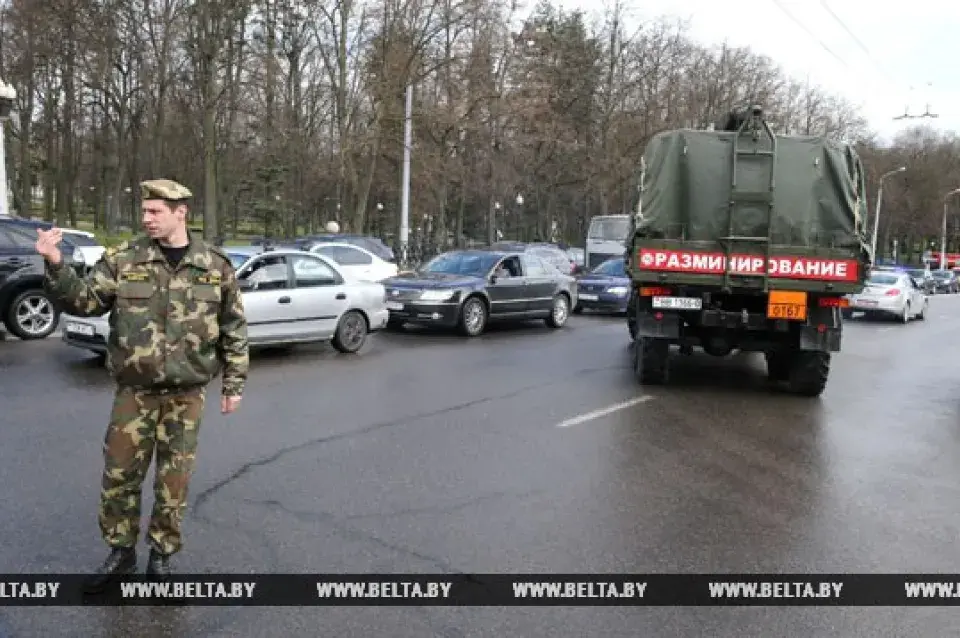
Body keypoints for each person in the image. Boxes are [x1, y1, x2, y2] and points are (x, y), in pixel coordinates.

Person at [36, 179, 249, 591]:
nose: (146, 218)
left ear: (180, 212)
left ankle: (162, 559)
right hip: (134, 394)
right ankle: (121, 554)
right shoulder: (125, 259)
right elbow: (84, 301)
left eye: (155, 211)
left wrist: (234, 384)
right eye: (145, 211)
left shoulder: (214, 264)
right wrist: (55, 264)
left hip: (186, 396)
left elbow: (233, 327)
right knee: (119, 476)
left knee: (174, 482)